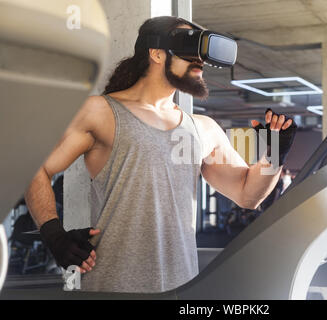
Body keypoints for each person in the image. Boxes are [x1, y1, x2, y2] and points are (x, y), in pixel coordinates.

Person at [24, 16, 296, 293]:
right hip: (113, 286)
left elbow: (248, 194)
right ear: (156, 53)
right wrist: (54, 236)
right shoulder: (100, 112)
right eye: (190, 51)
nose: (199, 62)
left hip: (182, 287)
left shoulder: (203, 129)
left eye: (201, 55)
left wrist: (274, 154)